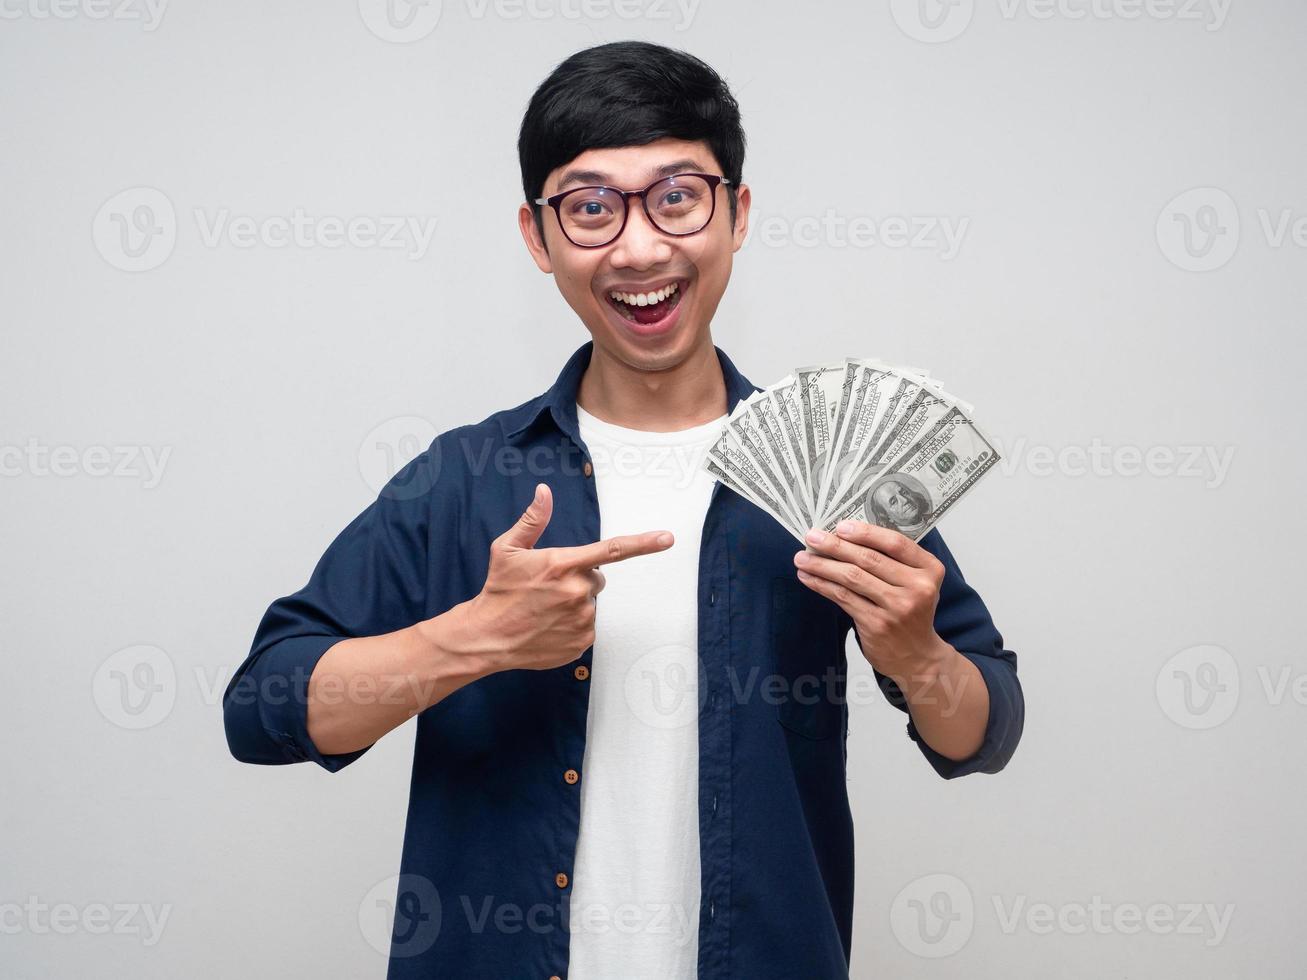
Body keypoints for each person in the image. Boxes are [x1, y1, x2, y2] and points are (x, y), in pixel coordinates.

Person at [222, 40, 1025, 980]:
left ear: (737, 214)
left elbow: (983, 730)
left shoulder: (838, 474)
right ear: (537, 237)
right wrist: (472, 639)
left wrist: (914, 651)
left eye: (678, 196)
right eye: (591, 208)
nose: (641, 248)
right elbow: (261, 709)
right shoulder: (466, 477)